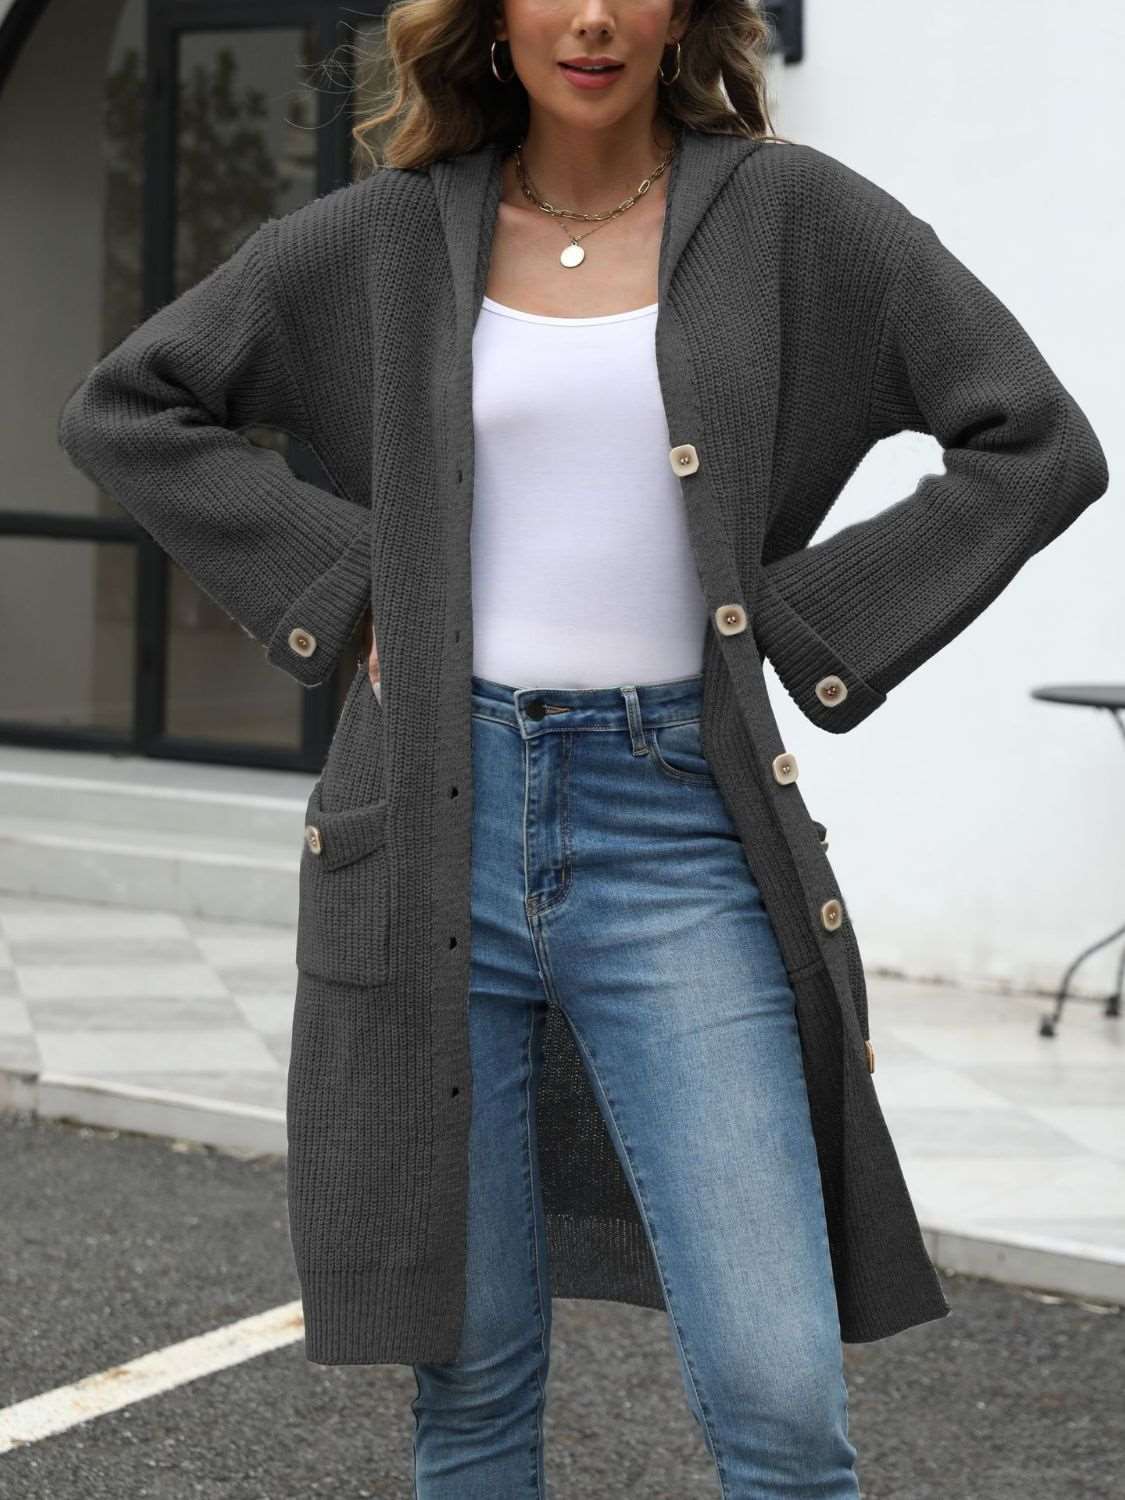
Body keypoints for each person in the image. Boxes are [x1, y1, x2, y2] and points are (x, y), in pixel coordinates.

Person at [57, 2, 1109, 1496]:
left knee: (779, 1392)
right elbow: (132, 407)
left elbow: (1033, 441)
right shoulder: (384, 236)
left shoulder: (791, 215)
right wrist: (349, 581)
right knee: (474, 1382)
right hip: (426, 830)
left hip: (677, 828)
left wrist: (810, 621)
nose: (595, 15)